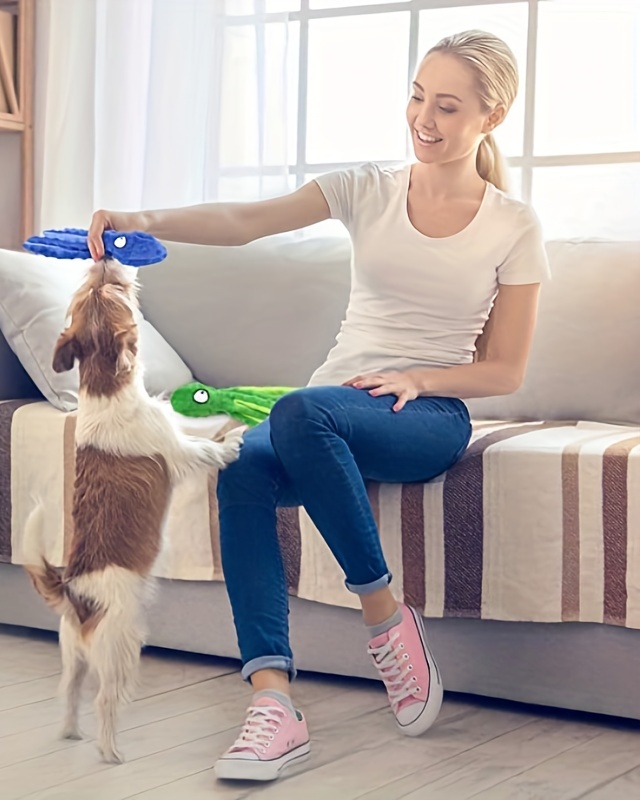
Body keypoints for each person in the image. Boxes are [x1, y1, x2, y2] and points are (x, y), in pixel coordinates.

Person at [88, 29, 549, 782]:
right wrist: (144, 220)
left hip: (426, 416)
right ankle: (273, 706)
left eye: (447, 106)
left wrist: (424, 379)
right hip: (333, 405)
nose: (423, 118)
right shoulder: (367, 187)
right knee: (244, 466)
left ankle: (385, 620)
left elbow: (504, 369)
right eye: (416, 95)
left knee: (302, 411)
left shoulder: (513, 225)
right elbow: (246, 221)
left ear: (489, 119)